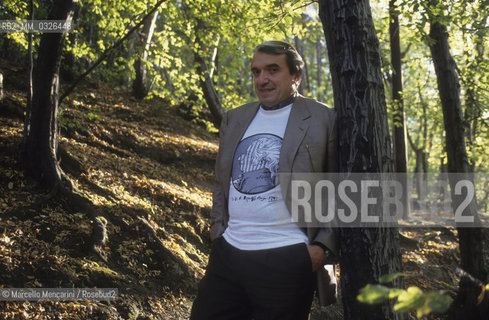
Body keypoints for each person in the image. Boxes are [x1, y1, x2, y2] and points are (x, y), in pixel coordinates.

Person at [190, 40, 338, 320]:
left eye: (272, 70)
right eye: (256, 72)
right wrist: (218, 233)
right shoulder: (235, 118)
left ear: (296, 76)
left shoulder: (323, 118)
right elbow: (221, 182)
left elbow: (341, 186)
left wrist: (322, 248)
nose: (262, 79)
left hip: (288, 256)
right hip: (228, 253)